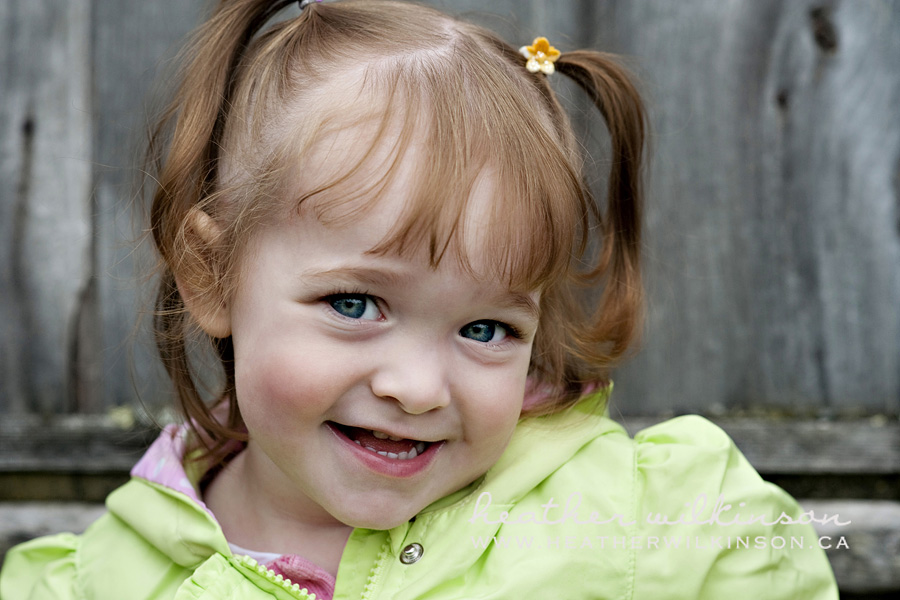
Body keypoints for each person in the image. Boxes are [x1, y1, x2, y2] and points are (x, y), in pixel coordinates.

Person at [0, 0, 839, 598]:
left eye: (487, 327)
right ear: (211, 277)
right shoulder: (102, 582)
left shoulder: (638, 522)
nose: (418, 388)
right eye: (355, 305)